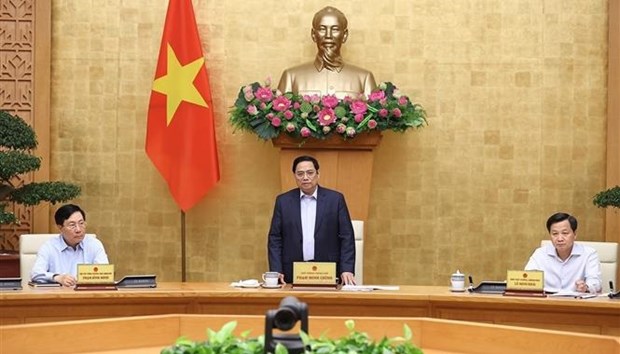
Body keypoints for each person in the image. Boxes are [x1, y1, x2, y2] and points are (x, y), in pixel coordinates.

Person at [267, 155, 356, 285]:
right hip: (291, 273)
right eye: (300, 174)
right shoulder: (283, 201)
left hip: (328, 272)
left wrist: (347, 269)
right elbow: (275, 238)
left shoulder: (335, 200)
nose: (305, 177)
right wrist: (276, 270)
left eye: (310, 173)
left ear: (318, 174)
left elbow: (347, 237)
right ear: (295, 176)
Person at [277, 6, 376, 99]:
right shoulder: (291, 77)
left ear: (344, 35)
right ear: (313, 34)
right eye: (322, 29)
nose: (328, 35)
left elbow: (374, 115)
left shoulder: (364, 78)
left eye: (335, 29)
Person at [30, 204, 109, 287]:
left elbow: (104, 273)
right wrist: (57, 278)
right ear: (60, 227)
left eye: (81, 223)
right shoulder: (49, 247)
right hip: (58, 297)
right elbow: (35, 274)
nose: (78, 230)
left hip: (86, 296)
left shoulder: (94, 244)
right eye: (72, 225)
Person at [524, 212, 602, 293]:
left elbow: (596, 282)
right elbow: (527, 278)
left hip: (575, 301)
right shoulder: (540, 254)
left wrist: (586, 287)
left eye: (565, 233)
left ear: (574, 234)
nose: (560, 238)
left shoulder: (589, 254)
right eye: (555, 234)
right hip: (547, 301)